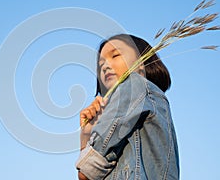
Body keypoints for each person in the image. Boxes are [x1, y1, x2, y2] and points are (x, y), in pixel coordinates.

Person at [76, 34, 179, 180]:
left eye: (115, 55)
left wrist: (88, 149)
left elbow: (86, 174)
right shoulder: (150, 98)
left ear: (141, 61)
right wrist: (86, 134)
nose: (105, 66)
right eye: (101, 64)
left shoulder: (135, 85)